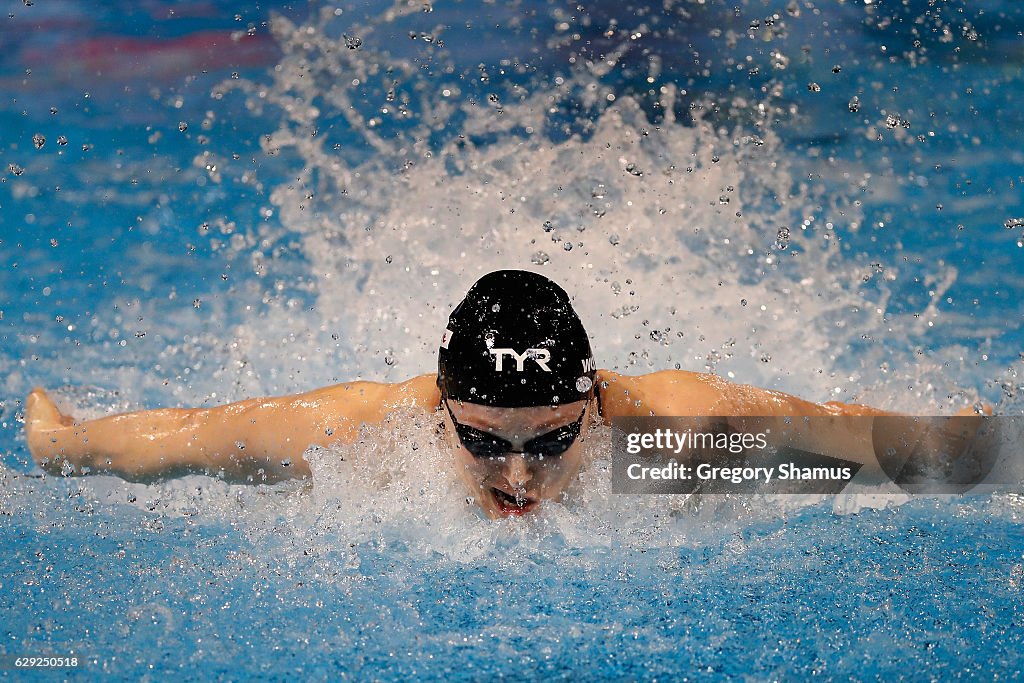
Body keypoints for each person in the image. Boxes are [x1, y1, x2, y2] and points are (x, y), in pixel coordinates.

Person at [24, 270, 981, 519]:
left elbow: (875, 443)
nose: (516, 473)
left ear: (597, 407)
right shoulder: (359, 433)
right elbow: (182, 438)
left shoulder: (678, 429)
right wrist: (63, 447)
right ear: (440, 409)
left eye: (555, 439)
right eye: (481, 441)